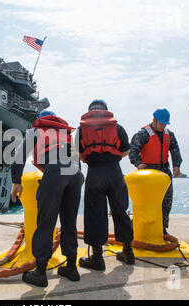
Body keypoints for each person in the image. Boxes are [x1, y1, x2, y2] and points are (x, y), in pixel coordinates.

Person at [11, 110, 84, 287]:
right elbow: (76, 162)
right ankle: (71, 268)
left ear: (40, 120)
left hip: (55, 172)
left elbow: (18, 157)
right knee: (69, 222)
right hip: (76, 174)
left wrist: (16, 182)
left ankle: (40, 273)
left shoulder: (35, 131)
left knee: (45, 221)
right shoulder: (65, 133)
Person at [76, 99, 135, 268]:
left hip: (94, 172)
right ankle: (128, 252)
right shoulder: (118, 127)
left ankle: (97, 258)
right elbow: (125, 150)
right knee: (120, 211)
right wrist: (112, 157)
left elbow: (79, 155)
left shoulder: (81, 129)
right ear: (106, 110)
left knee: (95, 214)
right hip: (115, 172)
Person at [129, 108, 182, 236]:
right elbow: (133, 150)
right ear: (154, 120)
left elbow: (175, 150)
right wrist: (138, 163)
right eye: (161, 123)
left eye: (165, 123)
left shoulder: (169, 134)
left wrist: (176, 166)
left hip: (164, 172)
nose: (163, 126)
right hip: (148, 172)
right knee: (145, 203)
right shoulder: (143, 134)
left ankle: (162, 228)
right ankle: (136, 227)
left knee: (166, 201)